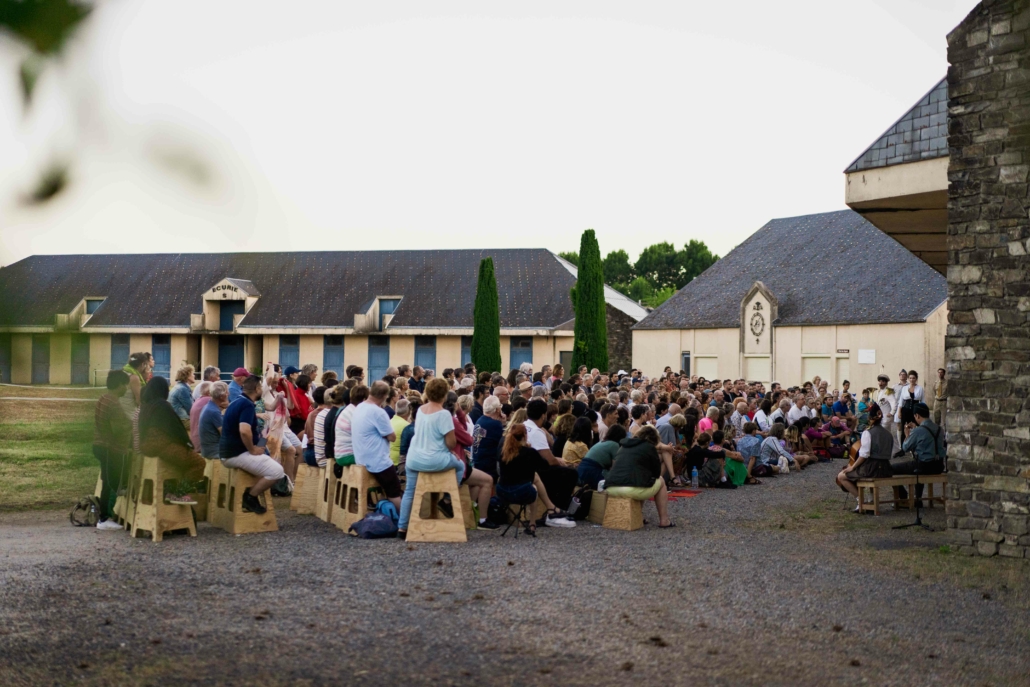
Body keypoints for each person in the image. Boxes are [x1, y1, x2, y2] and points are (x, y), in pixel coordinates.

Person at [397, 378, 469, 537]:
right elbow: (451, 443)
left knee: (410, 491)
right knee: (461, 465)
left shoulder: (421, 410)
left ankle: (402, 528)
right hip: (435, 460)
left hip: (414, 458)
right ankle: (447, 499)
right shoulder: (444, 414)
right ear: (444, 394)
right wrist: (450, 451)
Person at [219, 375, 284, 514]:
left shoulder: (238, 401)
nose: (261, 390)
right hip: (237, 453)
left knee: (269, 461)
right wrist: (253, 449)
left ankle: (250, 494)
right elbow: (244, 431)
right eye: (260, 387)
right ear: (256, 388)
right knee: (277, 471)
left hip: (231, 452)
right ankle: (250, 496)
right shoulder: (247, 405)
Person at [138, 376, 206, 504]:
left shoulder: (146, 406)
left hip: (147, 446)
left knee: (180, 463)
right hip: (162, 446)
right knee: (198, 463)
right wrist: (188, 444)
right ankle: (178, 493)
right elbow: (176, 429)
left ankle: (169, 490)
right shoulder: (162, 405)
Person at [497, 424, 574, 533]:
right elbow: (545, 466)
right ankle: (533, 524)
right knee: (534, 487)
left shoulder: (502, 452)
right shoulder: (529, 452)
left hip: (502, 491)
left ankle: (551, 508)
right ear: (525, 436)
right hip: (521, 492)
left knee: (534, 478)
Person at [604, 426, 674, 528]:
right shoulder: (649, 447)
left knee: (641, 481)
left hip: (611, 488)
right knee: (659, 481)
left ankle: (638, 516)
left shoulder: (623, 447)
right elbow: (656, 473)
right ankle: (664, 520)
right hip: (632, 489)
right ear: (655, 439)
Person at [351, 381, 404, 510]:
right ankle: (404, 521)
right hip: (377, 462)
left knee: (386, 488)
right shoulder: (378, 412)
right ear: (385, 396)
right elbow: (392, 437)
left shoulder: (360, 407)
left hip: (361, 458)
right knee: (395, 491)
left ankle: (384, 513)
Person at [92, 370, 132, 530]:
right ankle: (104, 518)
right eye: (125, 385)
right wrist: (131, 425)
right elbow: (119, 428)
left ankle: (104, 516)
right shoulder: (114, 402)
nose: (126, 389)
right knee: (111, 483)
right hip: (110, 447)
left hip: (99, 445)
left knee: (106, 481)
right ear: (119, 384)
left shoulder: (104, 398)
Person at [525, 399, 579, 510]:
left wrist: (557, 459)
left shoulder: (524, 425)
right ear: (543, 415)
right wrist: (560, 462)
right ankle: (559, 507)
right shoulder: (537, 431)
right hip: (535, 472)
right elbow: (549, 460)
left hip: (526, 467)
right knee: (571, 473)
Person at [836, 404, 893, 510]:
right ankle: (871, 500)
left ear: (870, 418)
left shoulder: (868, 432)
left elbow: (864, 455)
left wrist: (852, 467)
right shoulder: (888, 434)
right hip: (886, 468)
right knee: (858, 472)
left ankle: (860, 500)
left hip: (872, 468)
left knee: (841, 476)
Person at [892, 402, 945, 505]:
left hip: (924, 466)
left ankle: (904, 498)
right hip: (938, 465)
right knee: (917, 465)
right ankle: (918, 498)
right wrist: (916, 429)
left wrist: (907, 435)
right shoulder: (939, 429)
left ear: (917, 415)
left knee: (892, 468)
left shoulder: (918, 431)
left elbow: (905, 447)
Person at [577, 423, 627, 489]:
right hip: (593, 471)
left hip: (582, 469)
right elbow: (615, 468)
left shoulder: (602, 442)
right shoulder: (614, 445)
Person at [471, 395, 505, 478]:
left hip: (478, 461)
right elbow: (503, 444)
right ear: (497, 410)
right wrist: (503, 423)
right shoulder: (495, 424)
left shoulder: (481, 420)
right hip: (489, 465)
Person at [198, 381, 229, 458]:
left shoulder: (208, 406)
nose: (228, 394)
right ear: (222, 396)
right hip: (214, 451)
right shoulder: (213, 411)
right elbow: (225, 434)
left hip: (208, 449)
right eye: (226, 392)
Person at [895, 370, 925, 444]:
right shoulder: (904, 388)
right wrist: (899, 411)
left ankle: (914, 446)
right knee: (904, 427)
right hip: (905, 410)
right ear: (908, 379)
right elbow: (901, 400)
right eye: (910, 378)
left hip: (916, 410)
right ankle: (903, 446)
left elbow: (923, 401)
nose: (912, 380)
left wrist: (922, 413)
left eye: (913, 378)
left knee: (915, 427)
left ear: (916, 379)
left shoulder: (920, 388)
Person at [188, 381, 213, 450]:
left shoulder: (198, 400)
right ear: (209, 392)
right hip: (202, 444)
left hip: (195, 441)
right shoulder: (209, 400)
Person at [389, 398, 411, 466]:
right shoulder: (407, 427)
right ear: (409, 411)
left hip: (389, 460)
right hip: (399, 463)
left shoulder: (389, 422)